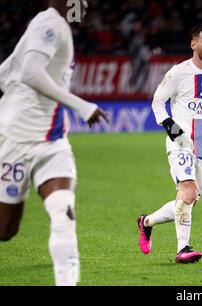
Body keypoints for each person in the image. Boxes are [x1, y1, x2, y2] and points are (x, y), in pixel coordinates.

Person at [0, 0, 108, 286]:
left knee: (63, 212)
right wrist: (83, 106)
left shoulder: (49, 25)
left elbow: (6, 71)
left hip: (53, 143)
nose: (86, 6)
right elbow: (30, 73)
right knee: (5, 230)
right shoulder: (50, 24)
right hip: (17, 143)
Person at [137, 24, 202, 264]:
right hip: (181, 143)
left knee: (187, 201)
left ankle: (146, 222)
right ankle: (182, 249)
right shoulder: (178, 72)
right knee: (188, 192)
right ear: (193, 44)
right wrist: (167, 123)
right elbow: (158, 101)